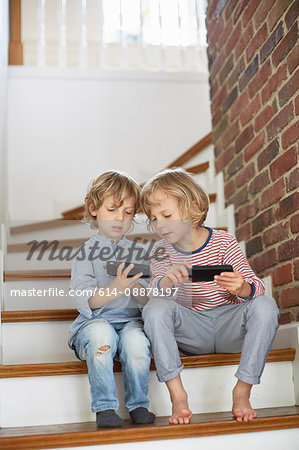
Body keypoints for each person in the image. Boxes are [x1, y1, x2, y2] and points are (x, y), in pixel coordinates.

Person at [139, 167, 280, 425]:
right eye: (154, 218)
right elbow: (153, 293)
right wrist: (167, 281)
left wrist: (242, 288)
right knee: (155, 308)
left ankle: (242, 391)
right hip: (191, 330)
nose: (160, 224)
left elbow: (256, 286)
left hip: (229, 326)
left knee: (266, 305)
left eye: (167, 214)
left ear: (193, 207)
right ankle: (178, 396)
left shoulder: (224, 242)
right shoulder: (161, 250)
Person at [68, 170, 155, 428]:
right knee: (102, 336)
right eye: (113, 209)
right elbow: (86, 301)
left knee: (137, 344)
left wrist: (137, 288)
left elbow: (148, 299)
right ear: (94, 208)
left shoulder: (139, 251)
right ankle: (105, 408)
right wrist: (116, 288)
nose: (120, 218)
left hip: (129, 322)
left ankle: (139, 405)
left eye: (128, 212)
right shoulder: (85, 252)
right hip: (95, 322)